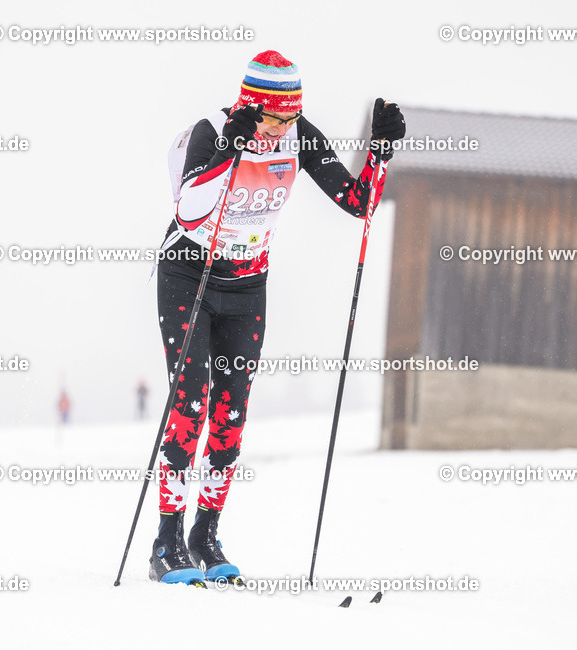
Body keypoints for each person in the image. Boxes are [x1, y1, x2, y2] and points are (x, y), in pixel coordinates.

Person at [149, 50, 405, 585]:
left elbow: (359, 203)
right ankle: (166, 541)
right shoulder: (211, 132)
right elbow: (189, 210)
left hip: (247, 285)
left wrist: (379, 153)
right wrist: (230, 151)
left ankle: (206, 534)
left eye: (289, 118)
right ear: (250, 106)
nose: (280, 130)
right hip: (188, 276)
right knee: (192, 399)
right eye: (272, 118)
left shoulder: (297, 133)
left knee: (231, 411)